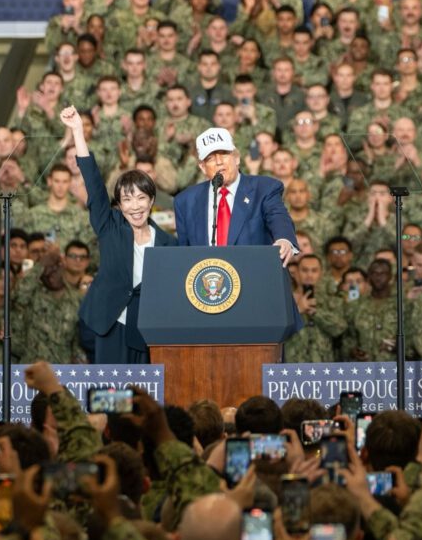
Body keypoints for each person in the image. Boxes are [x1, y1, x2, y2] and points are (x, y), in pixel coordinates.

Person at [60, 105, 177, 364]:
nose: (134, 206)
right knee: (112, 397)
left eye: (140, 198)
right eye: (127, 199)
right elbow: (92, 182)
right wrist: (78, 130)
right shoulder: (109, 226)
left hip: (148, 329)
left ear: (152, 201)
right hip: (110, 324)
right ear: (119, 205)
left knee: (142, 396)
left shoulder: (169, 243)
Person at [174, 127, 297, 264]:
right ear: (202, 167)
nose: (219, 161)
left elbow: (278, 217)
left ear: (237, 158)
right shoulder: (185, 201)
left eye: (224, 154)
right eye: (210, 158)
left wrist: (284, 239)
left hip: (255, 275)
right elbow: (184, 255)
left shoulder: (264, 189)